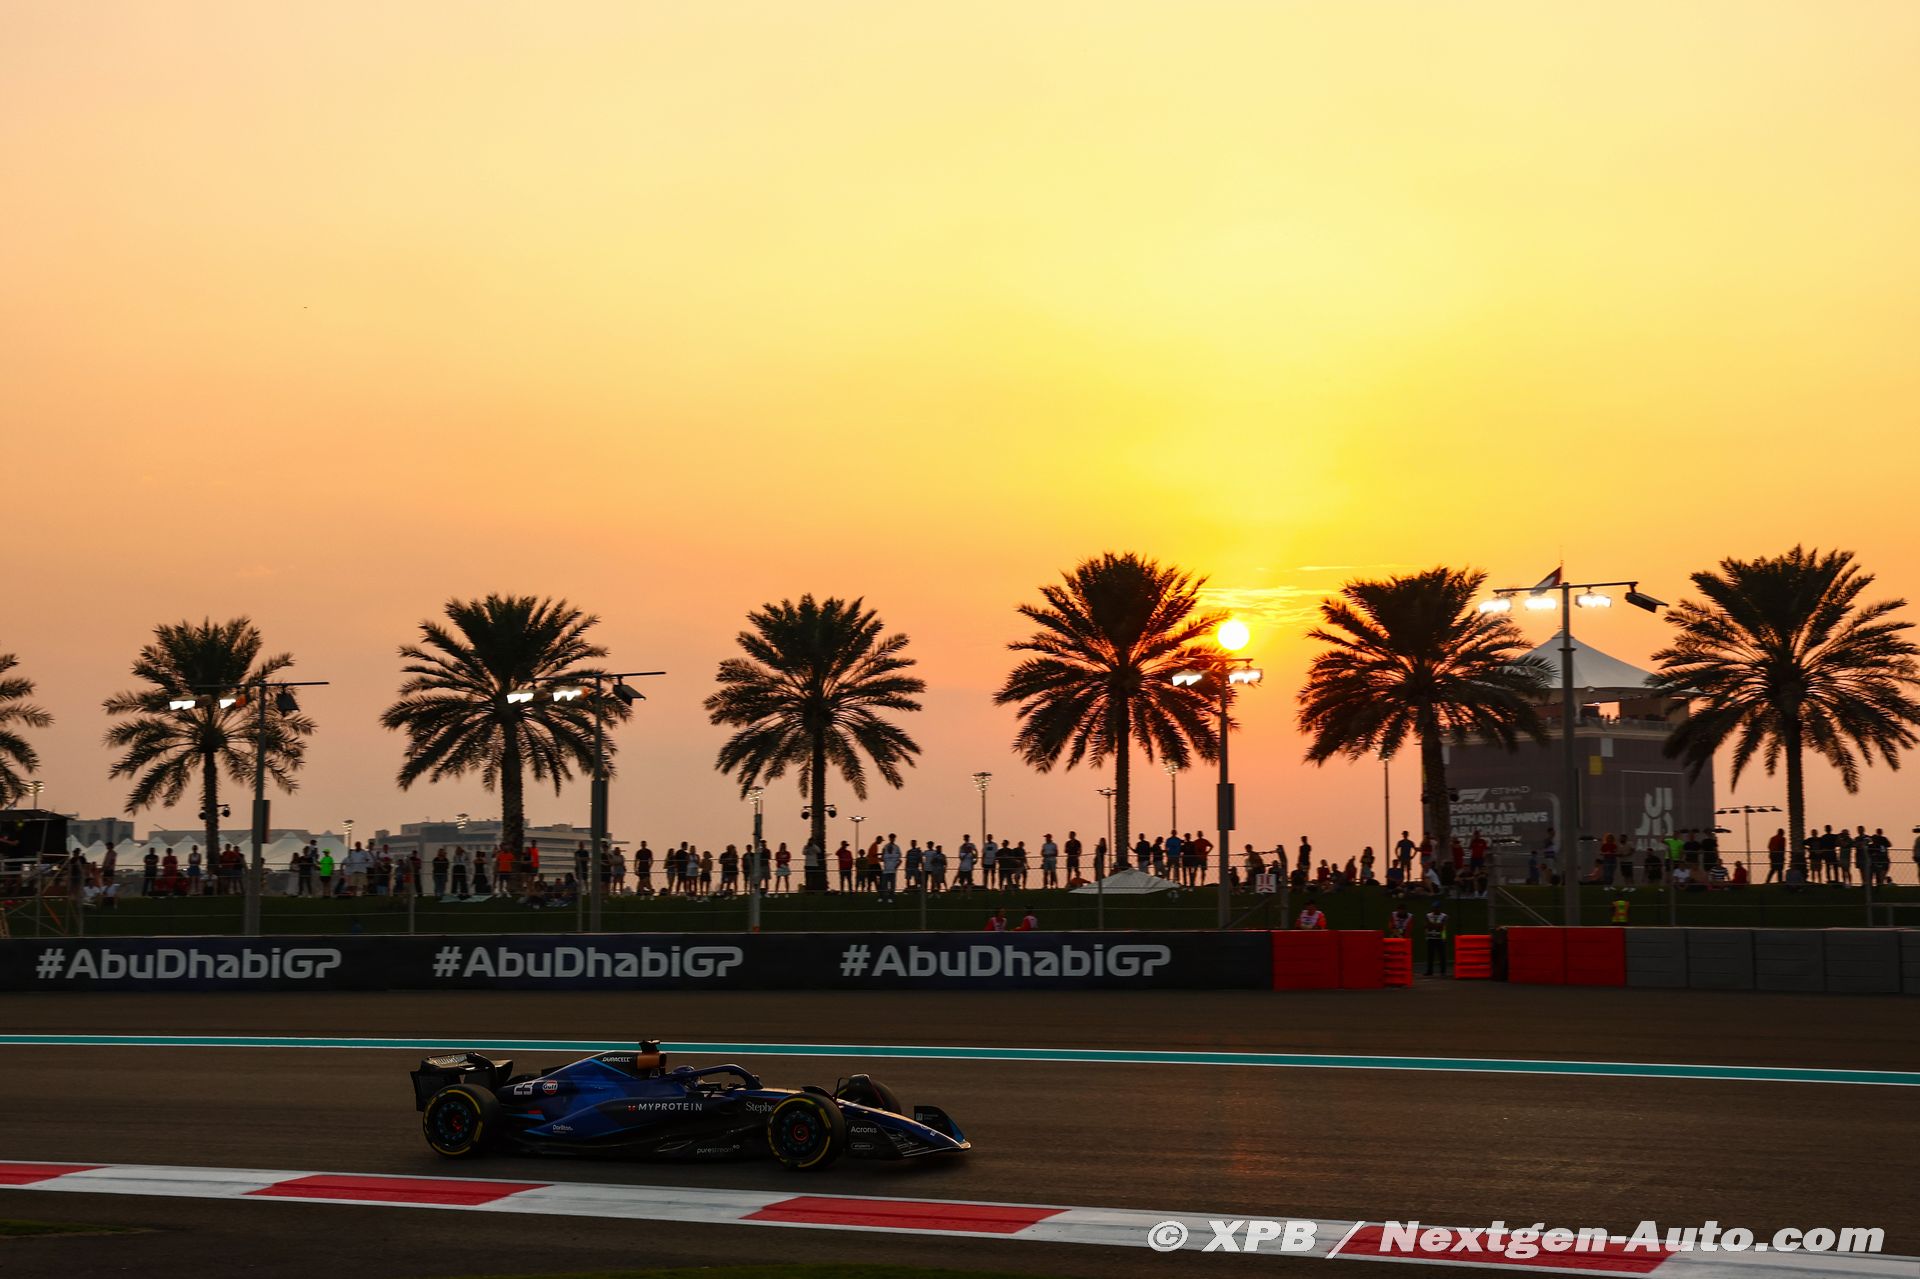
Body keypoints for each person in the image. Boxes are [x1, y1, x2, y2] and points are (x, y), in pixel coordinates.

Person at [1424, 904, 1450, 976]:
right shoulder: (1428, 915)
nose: (1436, 909)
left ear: (1440, 908)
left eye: (1437, 908)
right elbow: (1426, 925)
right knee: (1430, 955)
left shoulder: (1444, 916)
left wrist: (1432, 924)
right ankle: (1429, 971)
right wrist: (1437, 925)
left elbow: (1442, 926)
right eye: (1434, 908)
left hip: (1441, 938)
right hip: (1430, 937)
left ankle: (1443, 971)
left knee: (1442, 955)